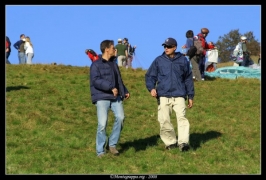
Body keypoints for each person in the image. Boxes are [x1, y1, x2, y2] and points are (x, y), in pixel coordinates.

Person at [145, 37, 194, 152]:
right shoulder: (159, 60)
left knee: (182, 119)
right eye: (164, 46)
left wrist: (190, 96)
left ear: (175, 47)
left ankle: (183, 143)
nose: (166, 48)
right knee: (164, 120)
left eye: (168, 46)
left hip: (179, 95)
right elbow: (150, 76)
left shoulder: (183, 61)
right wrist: (151, 88)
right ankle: (170, 142)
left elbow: (188, 79)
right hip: (163, 95)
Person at [90, 39, 130, 158]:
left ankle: (112, 144)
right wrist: (110, 87)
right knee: (102, 124)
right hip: (101, 97)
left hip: (115, 97)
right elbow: (95, 80)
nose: (115, 50)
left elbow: (118, 80)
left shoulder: (114, 64)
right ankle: (100, 151)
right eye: (113, 48)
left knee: (121, 117)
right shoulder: (96, 64)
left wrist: (125, 90)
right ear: (107, 49)